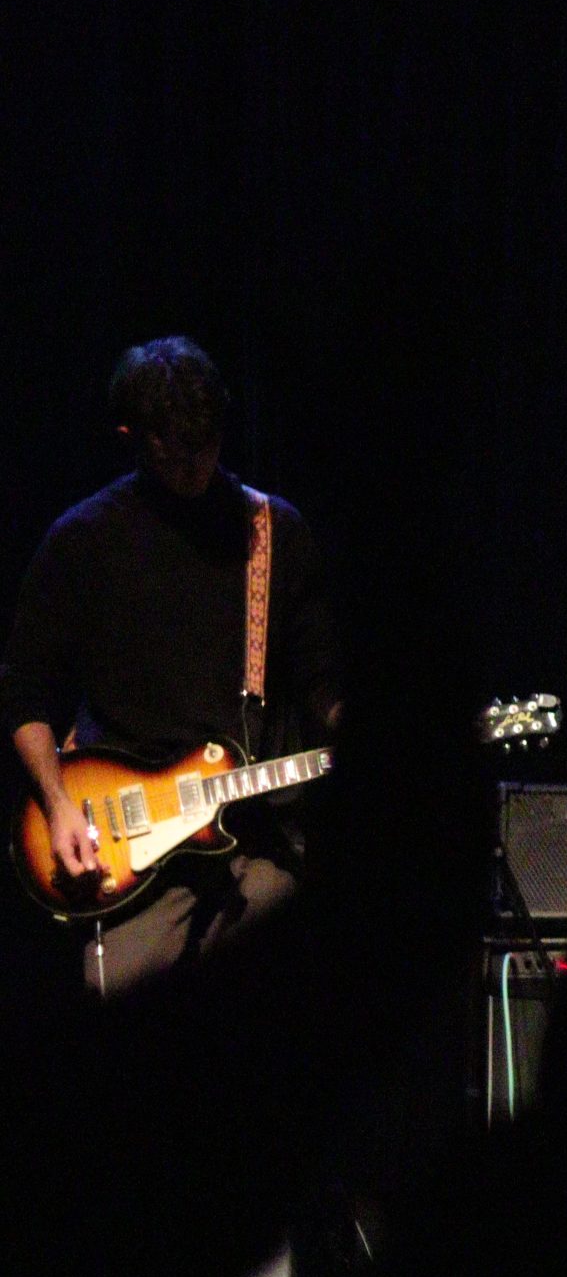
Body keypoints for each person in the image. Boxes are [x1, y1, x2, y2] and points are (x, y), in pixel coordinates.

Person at [0, 337, 337, 995]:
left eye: (206, 447)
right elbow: (23, 689)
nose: (195, 467)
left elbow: (321, 678)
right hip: (133, 849)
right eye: (174, 453)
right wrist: (59, 802)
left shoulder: (273, 532)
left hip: (258, 840)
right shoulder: (83, 541)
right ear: (132, 438)